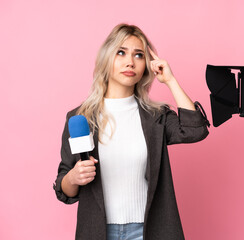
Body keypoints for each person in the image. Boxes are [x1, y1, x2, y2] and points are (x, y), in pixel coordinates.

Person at [53, 23, 210, 240]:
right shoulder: (80, 118)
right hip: (98, 232)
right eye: (121, 52)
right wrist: (73, 178)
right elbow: (65, 190)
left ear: (146, 65)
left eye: (138, 55)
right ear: (107, 58)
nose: (130, 62)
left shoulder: (156, 116)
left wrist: (170, 81)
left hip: (147, 231)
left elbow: (195, 131)